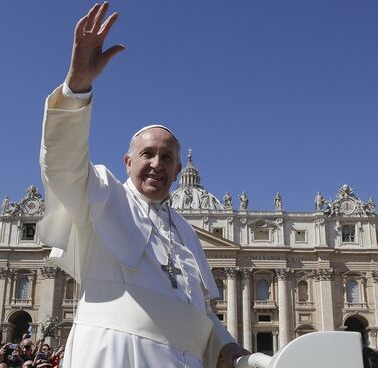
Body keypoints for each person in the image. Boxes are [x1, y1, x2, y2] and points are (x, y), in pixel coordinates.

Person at [38, 2, 249, 367]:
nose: (156, 164)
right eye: (147, 154)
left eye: (166, 158)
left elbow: (196, 311)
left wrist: (227, 346)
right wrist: (77, 86)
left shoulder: (186, 232)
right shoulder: (102, 195)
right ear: (128, 161)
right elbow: (63, 164)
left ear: (179, 169)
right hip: (112, 355)